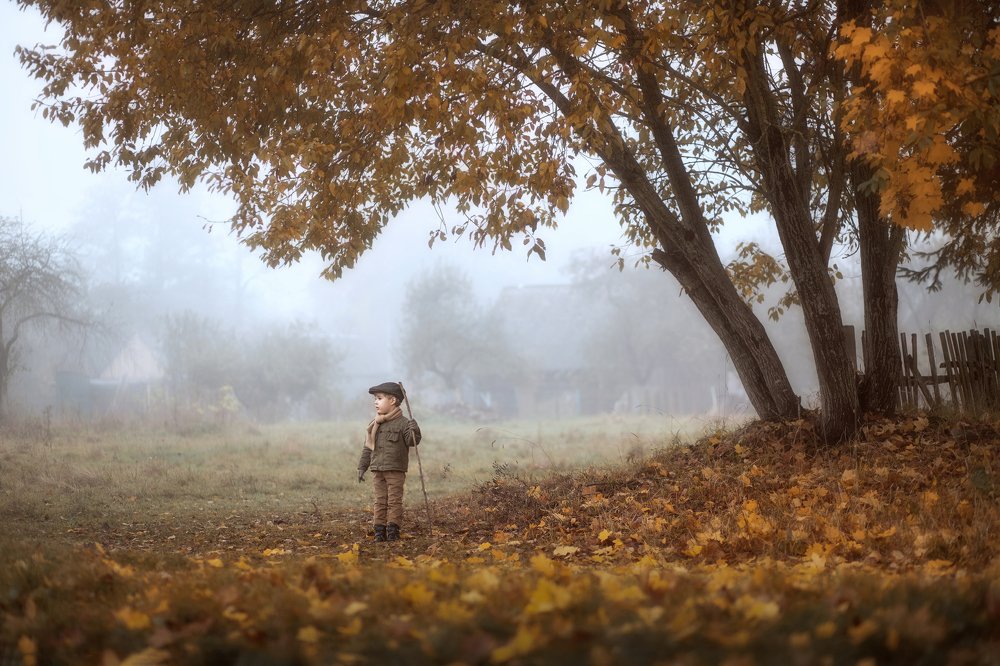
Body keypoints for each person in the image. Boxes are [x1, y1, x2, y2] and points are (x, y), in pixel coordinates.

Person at [357, 382, 421, 542]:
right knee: (379, 501)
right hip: (377, 469)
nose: (375, 402)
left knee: (394, 501)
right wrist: (362, 466)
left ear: (392, 400)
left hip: (395, 470)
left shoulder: (404, 423)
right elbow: (368, 447)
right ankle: (379, 531)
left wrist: (415, 430)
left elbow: (412, 441)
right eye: (375, 399)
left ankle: (393, 530)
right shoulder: (375, 424)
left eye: (379, 398)